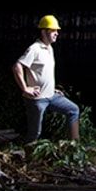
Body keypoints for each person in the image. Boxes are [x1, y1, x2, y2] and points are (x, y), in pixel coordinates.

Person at [12, 14, 80, 143]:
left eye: (56, 31)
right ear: (43, 32)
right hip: (37, 99)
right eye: (53, 31)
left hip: (51, 95)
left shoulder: (49, 48)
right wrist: (25, 88)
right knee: (34, 133)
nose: (56, 34)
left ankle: (75, 147)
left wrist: (51, 88)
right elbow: (17, 66)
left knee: (73, 110)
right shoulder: (34, 49)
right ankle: (28, 159)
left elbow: (43, 72)